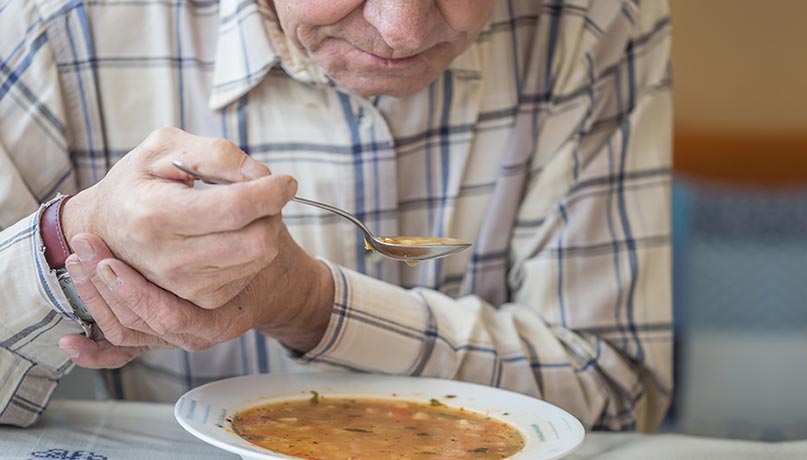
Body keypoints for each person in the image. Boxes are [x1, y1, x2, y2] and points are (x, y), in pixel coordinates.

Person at [0, 0, 673, 431]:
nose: (401, 29)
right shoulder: (51, 23)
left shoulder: (595, 23)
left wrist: (311, 303)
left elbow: (618, 392)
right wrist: (66, 240)